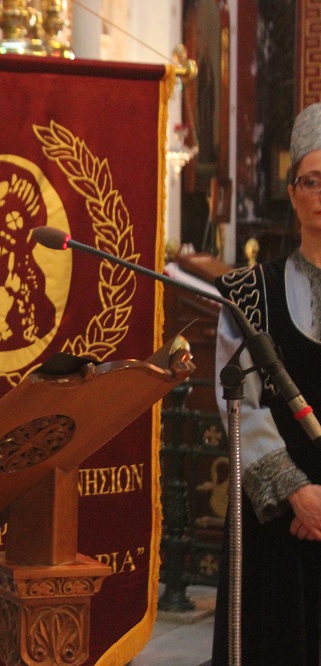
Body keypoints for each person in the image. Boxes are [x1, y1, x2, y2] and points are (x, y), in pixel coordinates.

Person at [211, 102, 321, 665]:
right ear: (292, 192)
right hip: (277, 519)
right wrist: (296, 492)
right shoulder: (247, 293)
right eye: (311, 180)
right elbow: (239, 405)